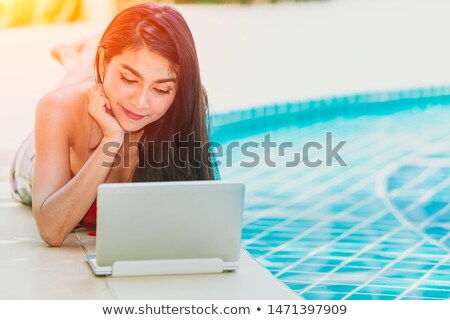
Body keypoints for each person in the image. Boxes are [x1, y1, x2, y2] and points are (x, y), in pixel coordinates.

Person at [9, 3, 220, 247]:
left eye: (162, 89)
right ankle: (88, 52)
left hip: (97, 83)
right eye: (129, 79)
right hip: (31, 160)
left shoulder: (184, 105)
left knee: (91, 93)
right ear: (103, 64)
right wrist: (110, 142)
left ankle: (89, 53)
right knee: (61, 97)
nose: (141, 103)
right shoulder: (56, 109)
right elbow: (51, 230)